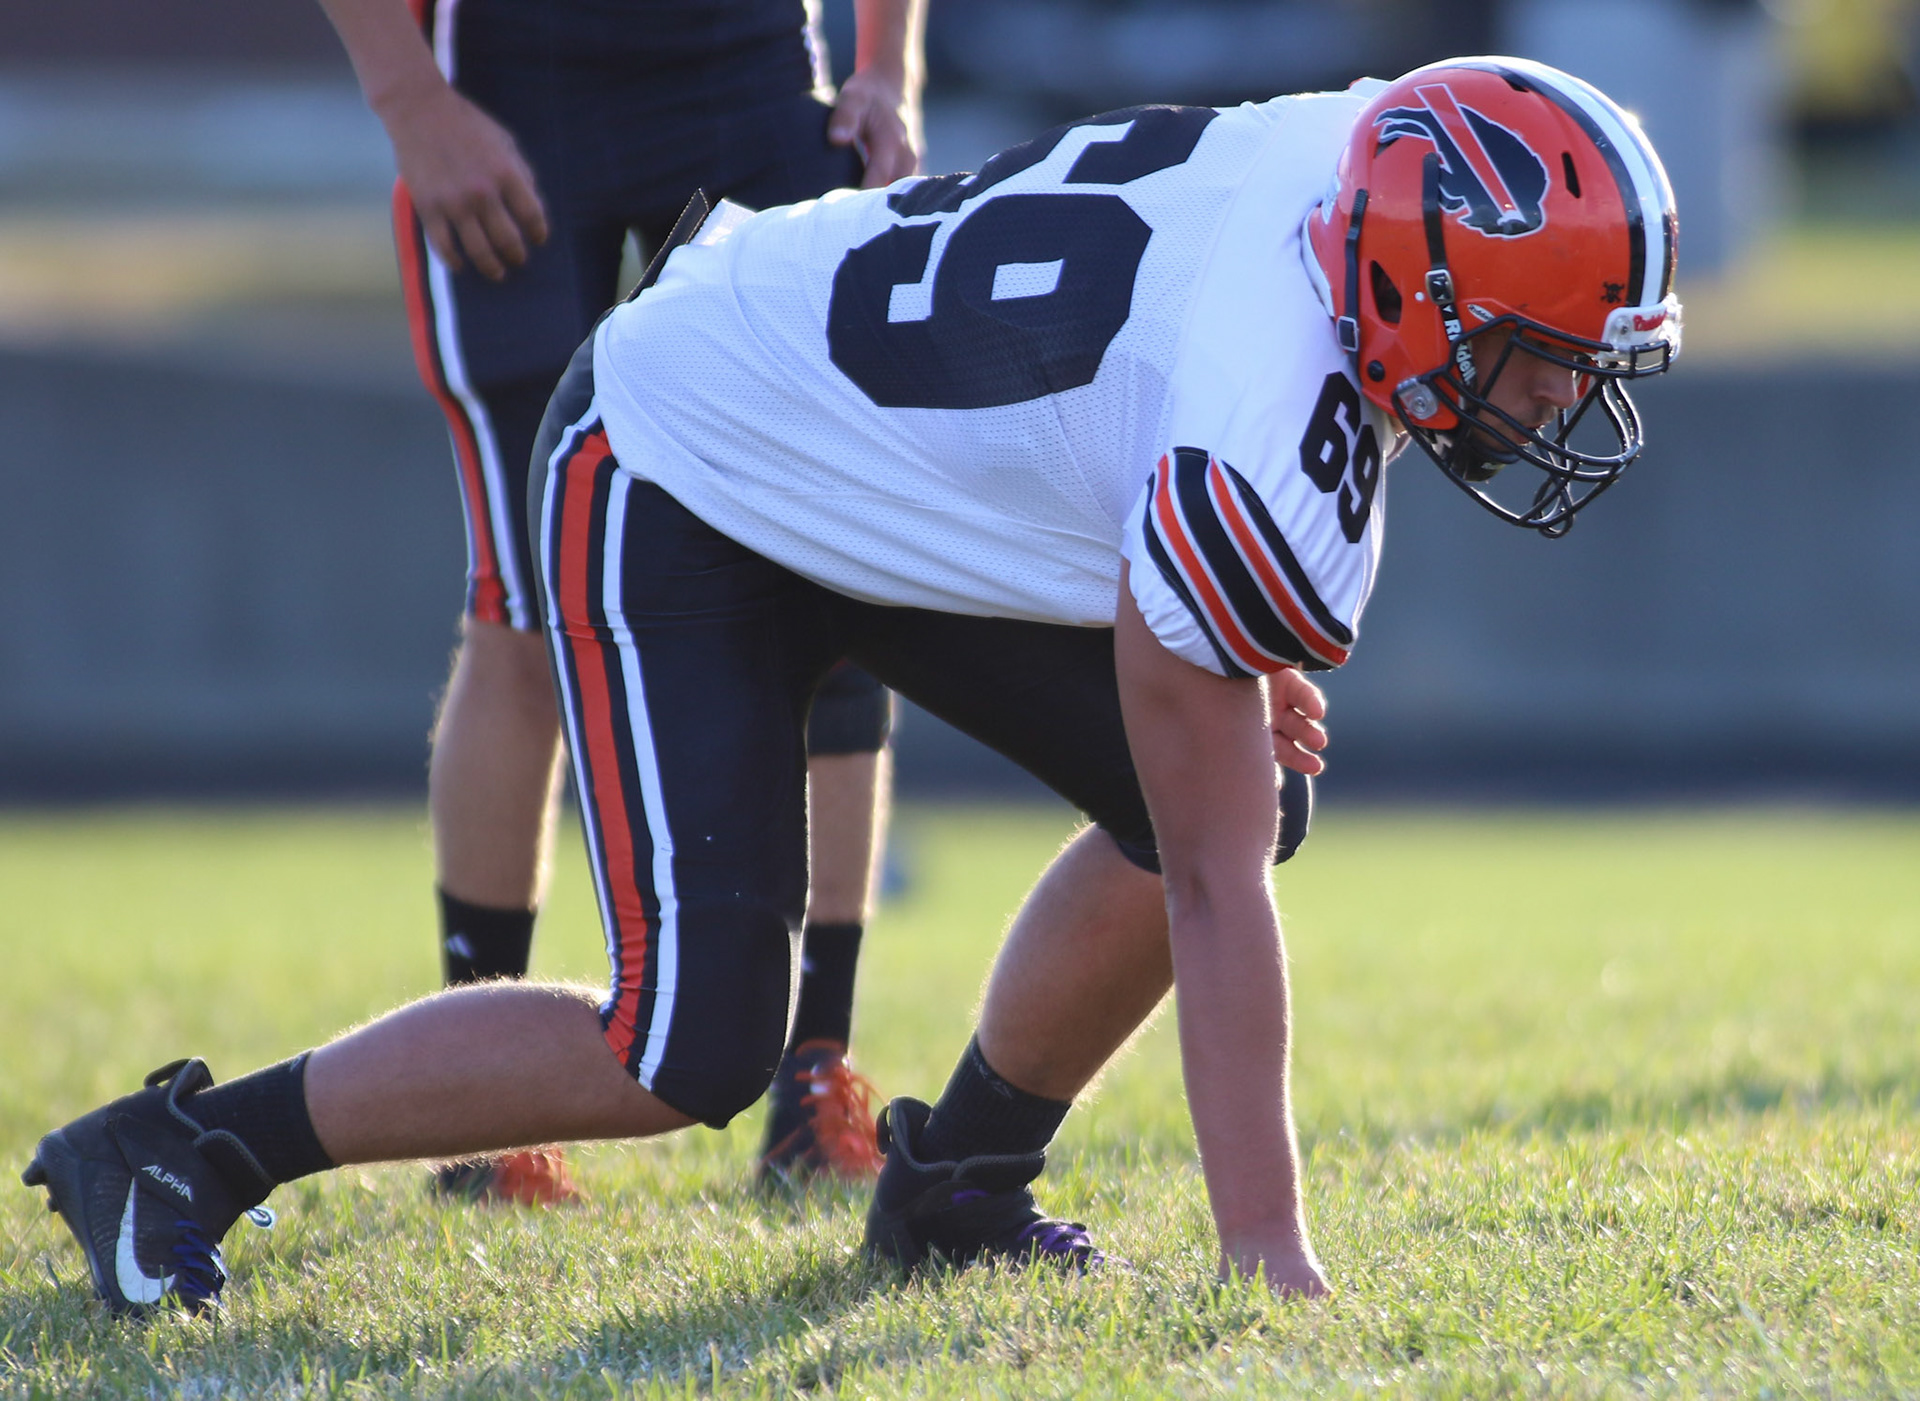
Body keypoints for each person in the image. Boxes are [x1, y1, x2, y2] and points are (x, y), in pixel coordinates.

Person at [24, 56, 1681, 1314]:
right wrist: (1268, 1256)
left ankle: (957, 1182)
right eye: (1536, 351)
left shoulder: (1367, 160)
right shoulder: (1267, 394)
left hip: (880, 461)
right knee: (689, 1041)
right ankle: (186, 1147)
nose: (1550, 400)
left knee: (1233, 778)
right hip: (684, 451)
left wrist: (1214, 670)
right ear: (1407, 275)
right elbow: (1211, 884)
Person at [312, 0, 927, 1197]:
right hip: (515, 82)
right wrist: (409, 99)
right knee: (526, 608)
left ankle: (816, 1074)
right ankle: (477, 1116)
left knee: (838, 585)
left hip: (750, 75)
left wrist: (887, 66)